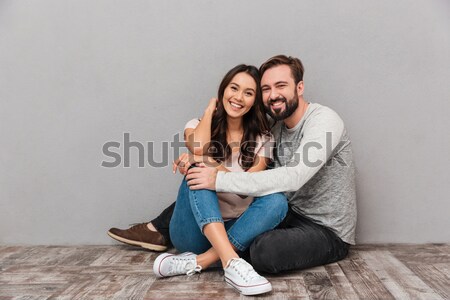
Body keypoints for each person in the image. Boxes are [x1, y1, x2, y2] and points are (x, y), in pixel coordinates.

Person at [109, 54, 356, 275]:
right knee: (211, 181)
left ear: (299, 87)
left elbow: (293, 177)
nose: (273, 95)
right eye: (266, 89)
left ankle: (203, 260)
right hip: (287, 215)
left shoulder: (324, 120)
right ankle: (160, 229)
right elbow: (212, 156)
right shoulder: (276, 128)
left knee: (264, 252)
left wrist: (214, 174)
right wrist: (201, 158)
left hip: (326, 229)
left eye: (281, 86)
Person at [110, 64, 288, 296]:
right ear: (223, 90)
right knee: (197, 166)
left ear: (254, 101)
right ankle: (232, 263)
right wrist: (209, 111)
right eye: (233, 88)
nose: (238, 97)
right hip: (193, 231)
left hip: (235, 229)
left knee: (277, 201)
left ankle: (201, 262)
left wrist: (210, 164)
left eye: (248, 93)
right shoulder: (196, 125)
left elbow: (248, 188)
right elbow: (197, 147)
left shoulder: (263, 138)